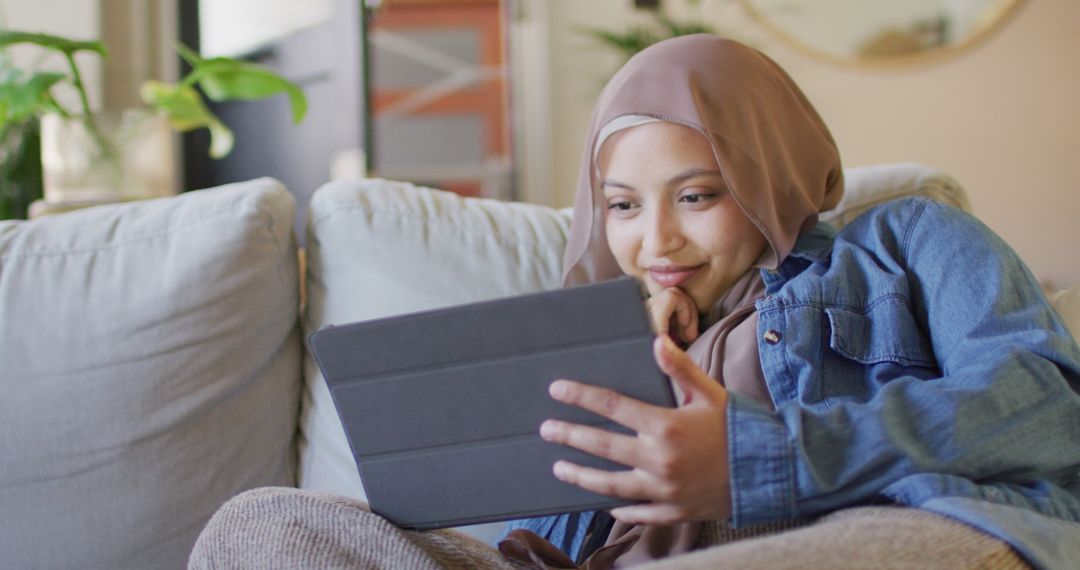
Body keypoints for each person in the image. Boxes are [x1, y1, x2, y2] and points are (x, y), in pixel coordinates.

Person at [189, 35, 1080, 570]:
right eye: (620, 206)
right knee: (262, 526)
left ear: (768, 173)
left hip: (868, 537)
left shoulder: (907, 242)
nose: (655, 244)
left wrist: (752, 461)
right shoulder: (609, 327)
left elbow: (1049, 405)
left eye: (698, 195)